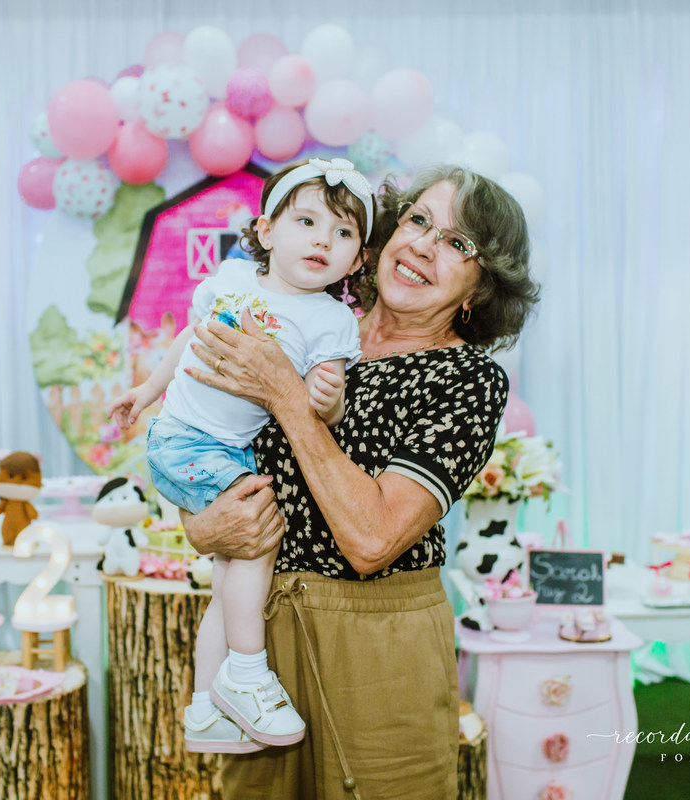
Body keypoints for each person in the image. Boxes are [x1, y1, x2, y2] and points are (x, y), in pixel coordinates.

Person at [180, 164, 539, 799]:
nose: (425, 245)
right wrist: (202, 527)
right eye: (419, 220)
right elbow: (202, 445)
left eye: (458, 244)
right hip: (255, 640)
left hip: (380, 646)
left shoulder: (467, 380)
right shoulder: (305, 320)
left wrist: (285, 394)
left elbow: (372, 541)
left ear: (480, 291)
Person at [108, 158, 375, 753]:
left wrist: (328, 403)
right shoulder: (229, 282)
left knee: (231, 571)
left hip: (226, 448)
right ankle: (248, 674)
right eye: (306, 221)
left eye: (342, 233)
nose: (321, 241)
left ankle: (206, 707)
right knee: (259, 535)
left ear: (357, 261)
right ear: (266, 230)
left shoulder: (333, 319)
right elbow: (189, 339)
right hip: (181, 438)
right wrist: (147, 390)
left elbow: (321, 403)